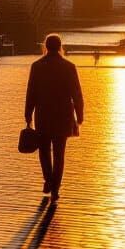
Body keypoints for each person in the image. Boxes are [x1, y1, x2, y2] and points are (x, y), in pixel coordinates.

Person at [24, 34, 84, 202]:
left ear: (45, 46)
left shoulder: (37, 66)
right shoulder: (69, 66)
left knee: (44, 151)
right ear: (59, 47)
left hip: (43, 114)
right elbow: (77, 94)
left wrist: (28, 114)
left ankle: (48, 180)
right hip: (63, 115)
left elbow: (31, 92)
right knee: (59, 154)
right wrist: (79, 115)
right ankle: (55, 187)